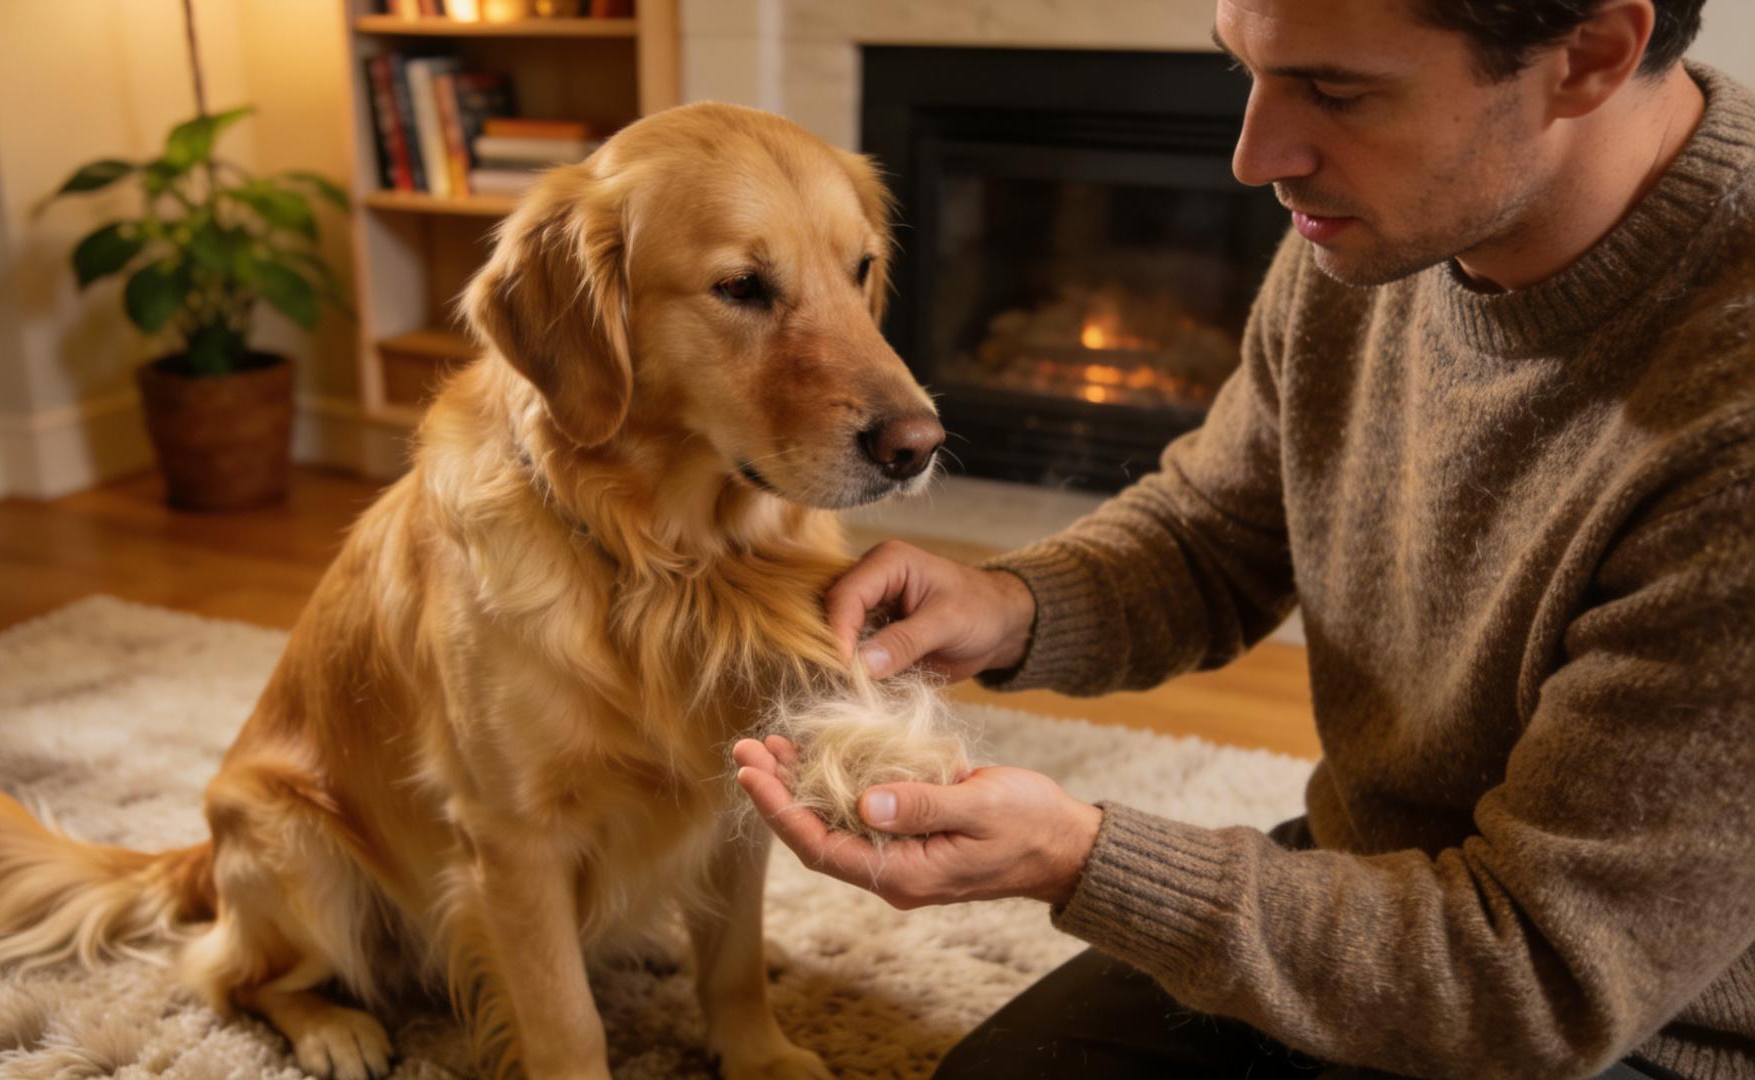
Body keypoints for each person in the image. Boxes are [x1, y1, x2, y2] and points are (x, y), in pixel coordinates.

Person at [732, 0, 1755, 1076]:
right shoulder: (1394, 223)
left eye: (1337, 91)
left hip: (1628, 1026)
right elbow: (1216, 531)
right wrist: (1010, 606)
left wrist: (1074, 856)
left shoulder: (1729, 423)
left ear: (1591, 55)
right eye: (1245, 72)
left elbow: (1538, 982)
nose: (1256, 157)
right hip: (1383, 888)